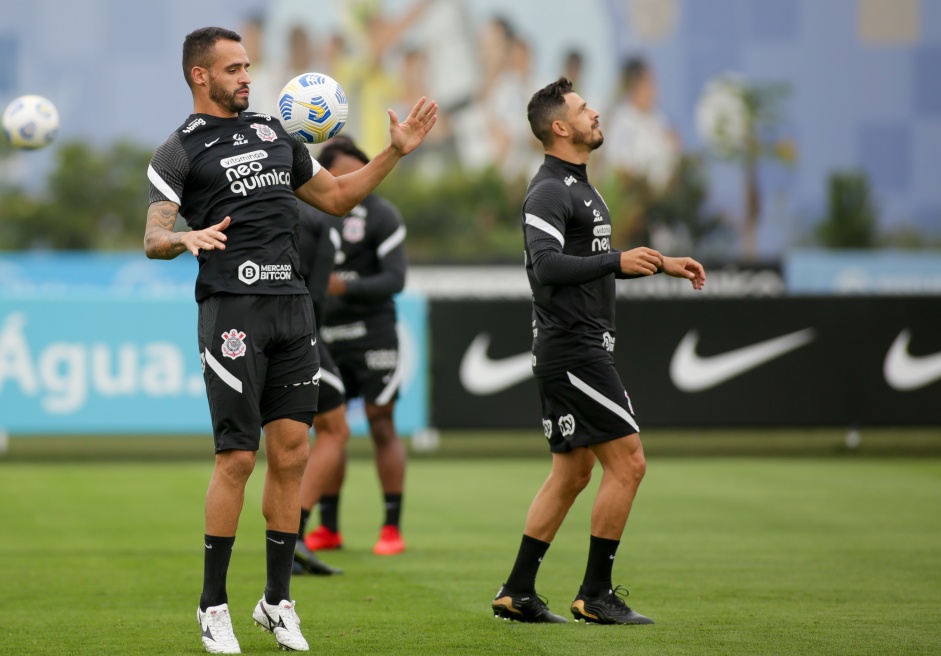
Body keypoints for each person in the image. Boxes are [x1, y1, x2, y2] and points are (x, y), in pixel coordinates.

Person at [144, 26, 435, 654]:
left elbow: (335, 196)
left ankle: (277, 602)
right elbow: (152, 236)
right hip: (232, 314)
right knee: (237, 460)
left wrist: (395, 152)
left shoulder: (275, 133)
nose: (247, 77)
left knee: (294, 455)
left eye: (248, 66)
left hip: (294, 312)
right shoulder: (179, 150)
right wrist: (182, 239)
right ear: (200, 76)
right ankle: (212, 606)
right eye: (233, 69)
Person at [490, 77, 704, 625]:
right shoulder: (549, 190)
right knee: (629, 463)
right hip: (573, 349)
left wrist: (661, 264)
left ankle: (517, 591)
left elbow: (590, 263)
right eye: (585, 109)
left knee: (572, 473)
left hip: (576, 346)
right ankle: (595, 593)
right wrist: (615, 260)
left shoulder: (582, 187)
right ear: (559, 127)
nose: (595, 113)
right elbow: (546, 266)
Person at [302, 136, 409, 557]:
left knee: (381, 421)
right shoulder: (311, 210)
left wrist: (344, 285)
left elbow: (395, 279)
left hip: (374, 332)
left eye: (361, 169)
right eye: (344, 171)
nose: (355, 178)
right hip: (326, 332)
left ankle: (391, 528)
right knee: (331, 427)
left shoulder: (383, 214)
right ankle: (328, 527)